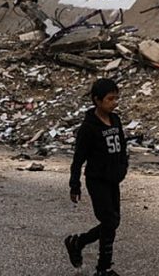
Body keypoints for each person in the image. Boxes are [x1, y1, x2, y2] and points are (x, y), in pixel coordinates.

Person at [64, 78, 129, 276]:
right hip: (97, 180)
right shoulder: (88, 128)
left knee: (113, 222)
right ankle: (103, 268)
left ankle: (78, 242)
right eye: (110, 99)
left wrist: (123, 167)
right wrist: (74, 185)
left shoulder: (115, 120)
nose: (114, 102)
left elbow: (122, 147)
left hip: (113, 180)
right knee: (109, 221)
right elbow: (78, 159)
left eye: (116, 98)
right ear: (97, 100)